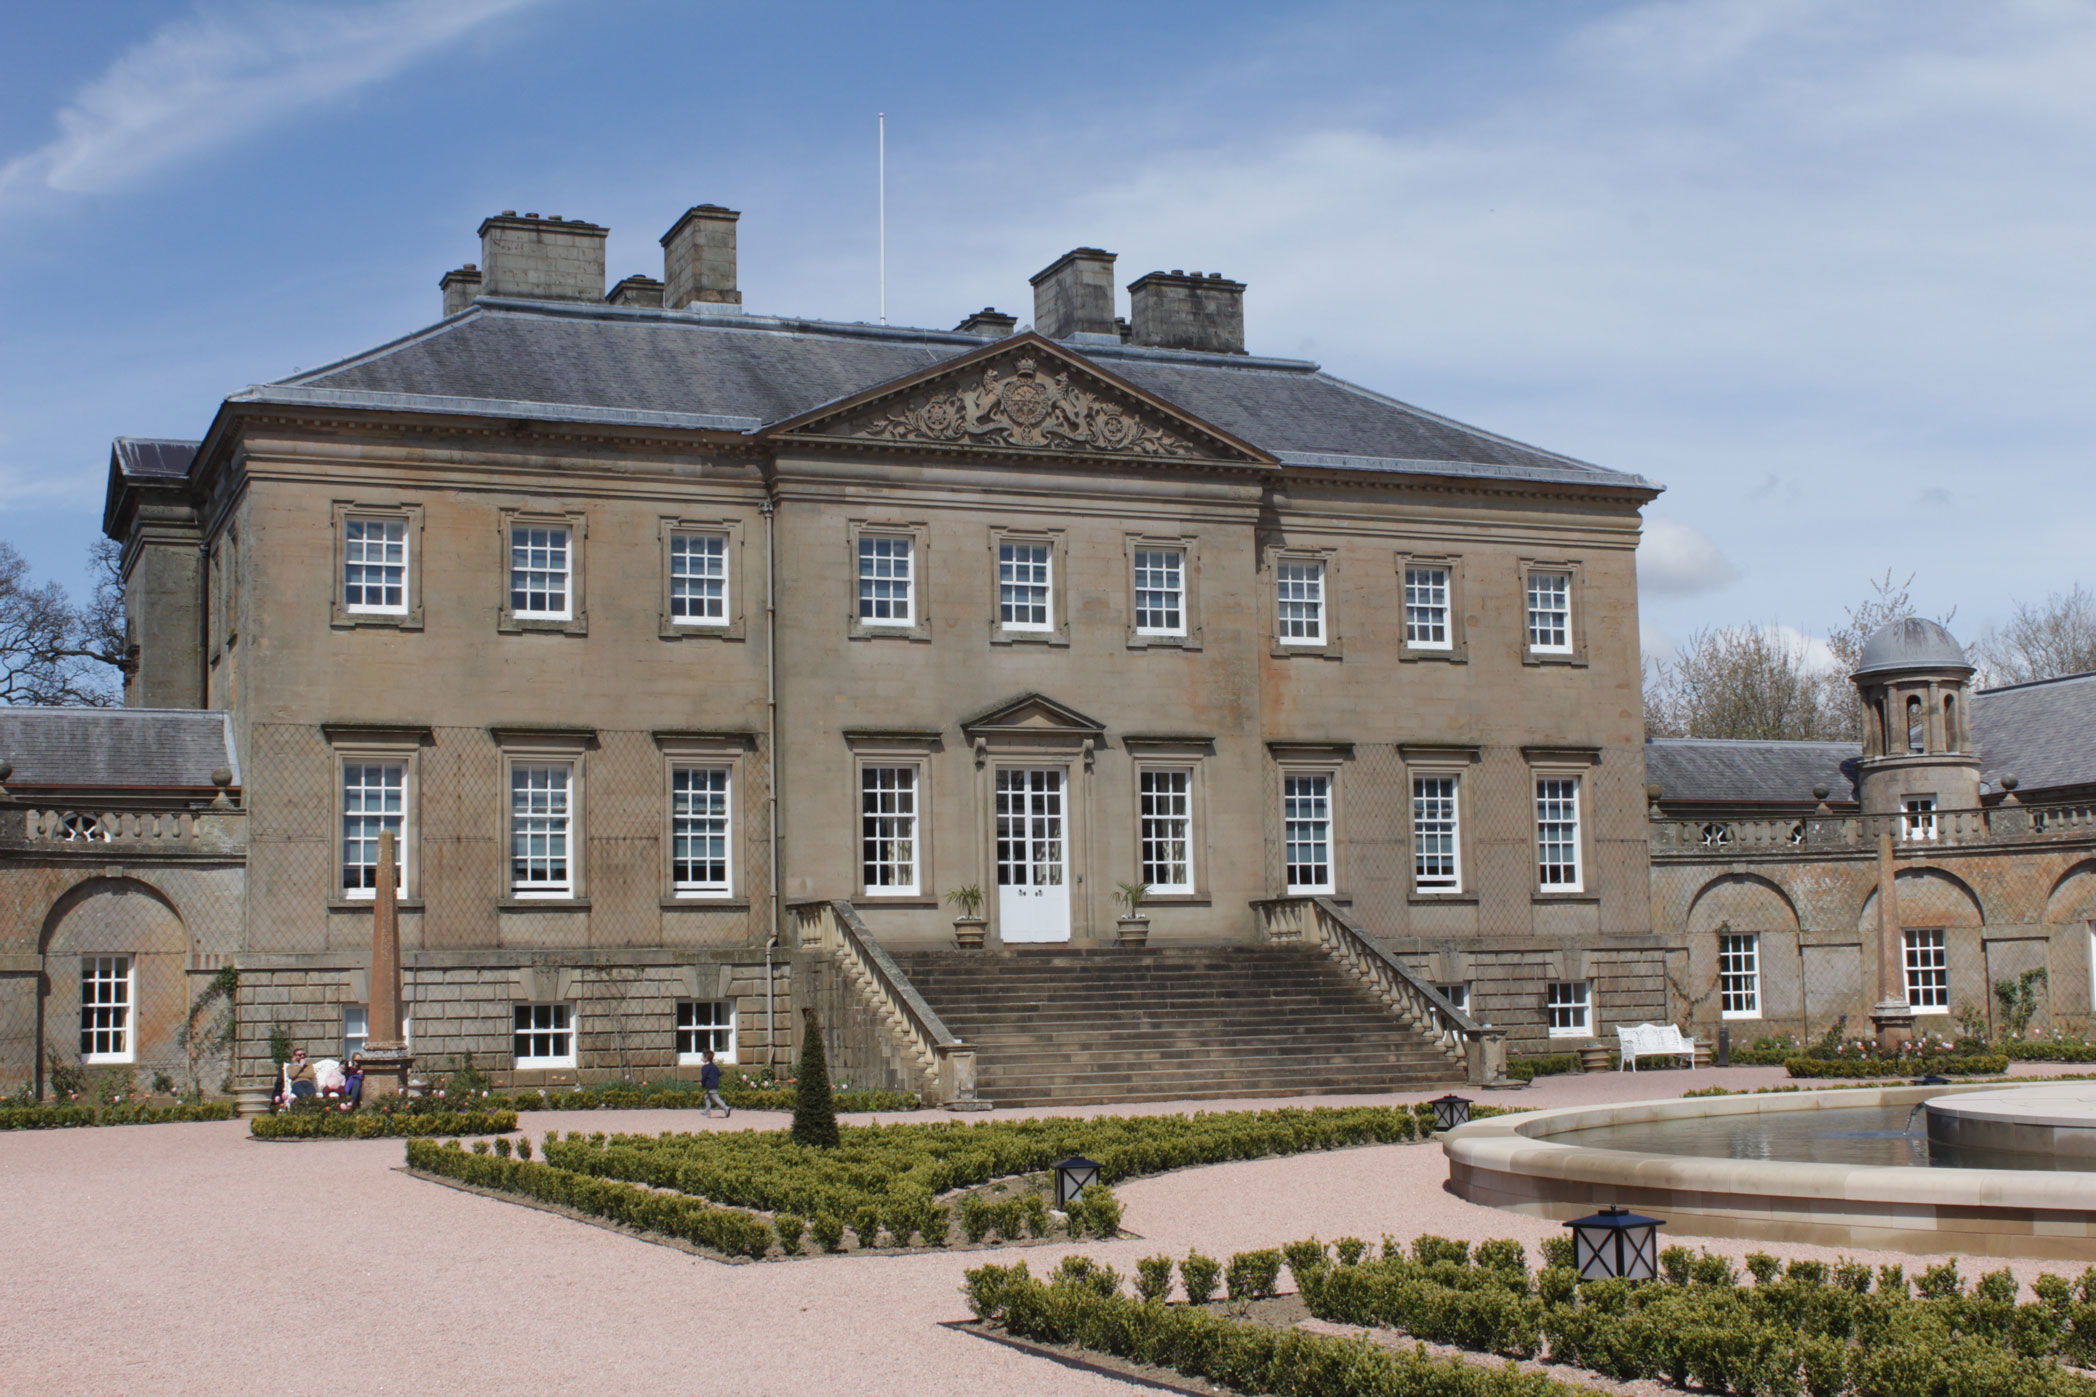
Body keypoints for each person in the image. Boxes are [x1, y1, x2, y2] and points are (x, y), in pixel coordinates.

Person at [700, 1049, 729, 1118]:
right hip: (715, 1084)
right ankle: (707, 1110)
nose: (701, 1058)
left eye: (703, 1057)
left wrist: (702, 1083)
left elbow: (704, 1077)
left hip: (709, 1085)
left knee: (715, 1097)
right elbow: (719, 1074)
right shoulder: (714, 1066)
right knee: (707, 1096)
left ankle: (725, 1107)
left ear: (706, 1058)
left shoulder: (705, 1067)